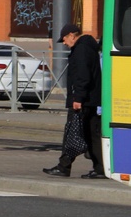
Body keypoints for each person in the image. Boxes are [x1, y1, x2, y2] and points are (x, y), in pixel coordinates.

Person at [43, 23, 105, 179]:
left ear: (72, 35)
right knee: (90, 134)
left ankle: (64, 167)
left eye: (64, 39)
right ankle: (101, 168)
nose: (64, 43)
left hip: (83, 100)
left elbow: (83, 76)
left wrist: (78, 98)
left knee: (72, 132)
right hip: (89, 98)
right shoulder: (87, 47)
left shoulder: (81, 49)